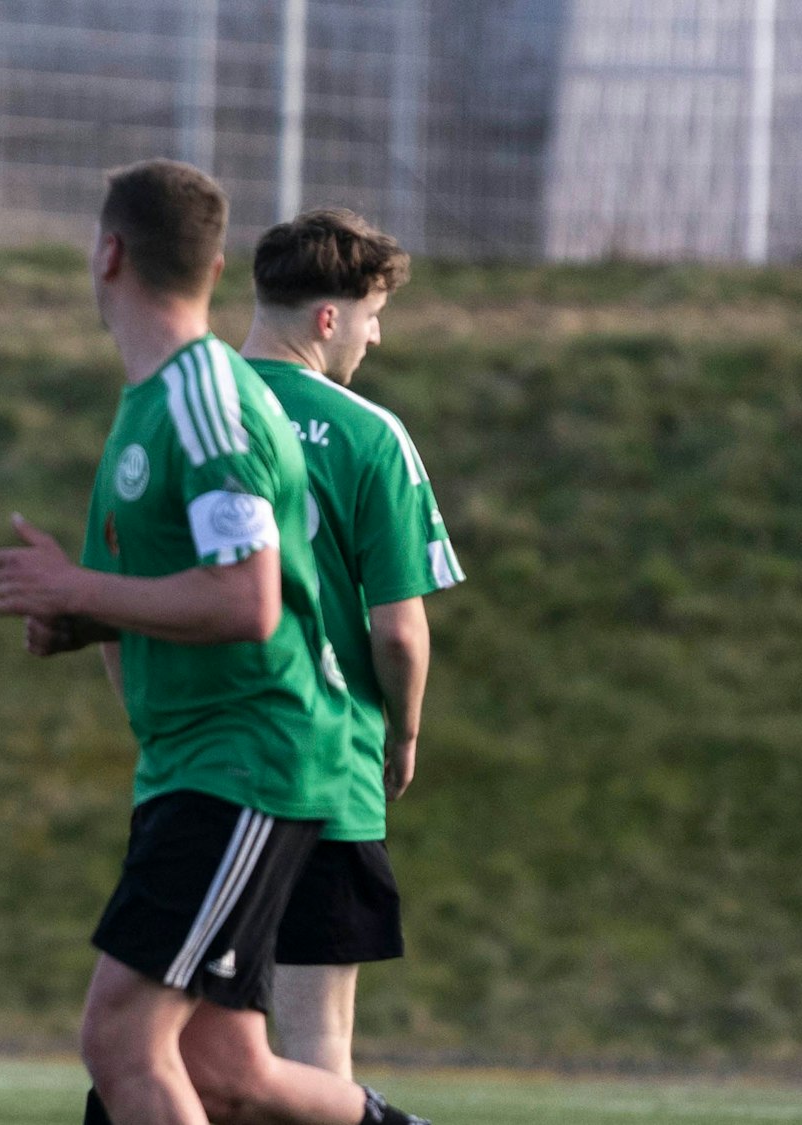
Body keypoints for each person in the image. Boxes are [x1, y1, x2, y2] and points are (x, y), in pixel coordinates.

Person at [0, 159, 428, 1125]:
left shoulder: (204, 398)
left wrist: (77, 587)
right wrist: (86, 616)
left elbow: (248, 602)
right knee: (225, 1067)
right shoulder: (155, 399)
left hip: (244, 763)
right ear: (217, 268)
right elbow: (199, 590)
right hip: (203, 762)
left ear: (107, 254)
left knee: (122, 1040)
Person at [238, 209, 464, 1080]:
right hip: (328, 767)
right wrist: (403, 732)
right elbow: (398, 630)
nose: (376, 336)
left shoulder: (180, 416)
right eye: (372, 315)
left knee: (167, 1039)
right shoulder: (371, 434)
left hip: (202, 768)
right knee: (316, 1042)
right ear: (328, 317)